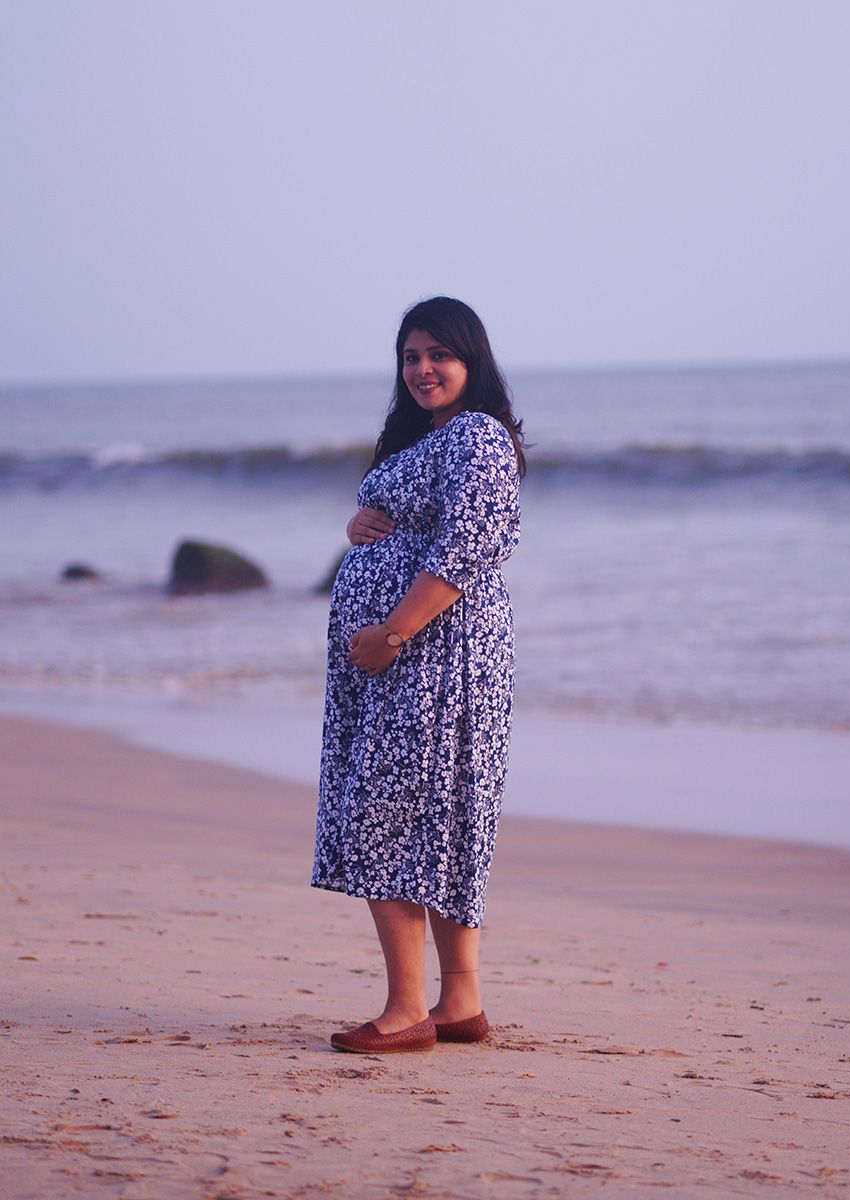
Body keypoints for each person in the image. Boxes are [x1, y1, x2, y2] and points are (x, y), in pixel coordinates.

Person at [311, 296, 526, 1054]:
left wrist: (395, 632)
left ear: (473, 361)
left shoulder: (478, 436)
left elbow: (471, 543)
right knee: (437, 817)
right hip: (409, 657)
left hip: (435, 655)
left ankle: (406, 1012)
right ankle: (459, 1002)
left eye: (439, 354)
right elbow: (416, 519)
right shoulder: (431, 439)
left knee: (389, 811)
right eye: (411, 356)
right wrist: (360, 524)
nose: (423, 369)